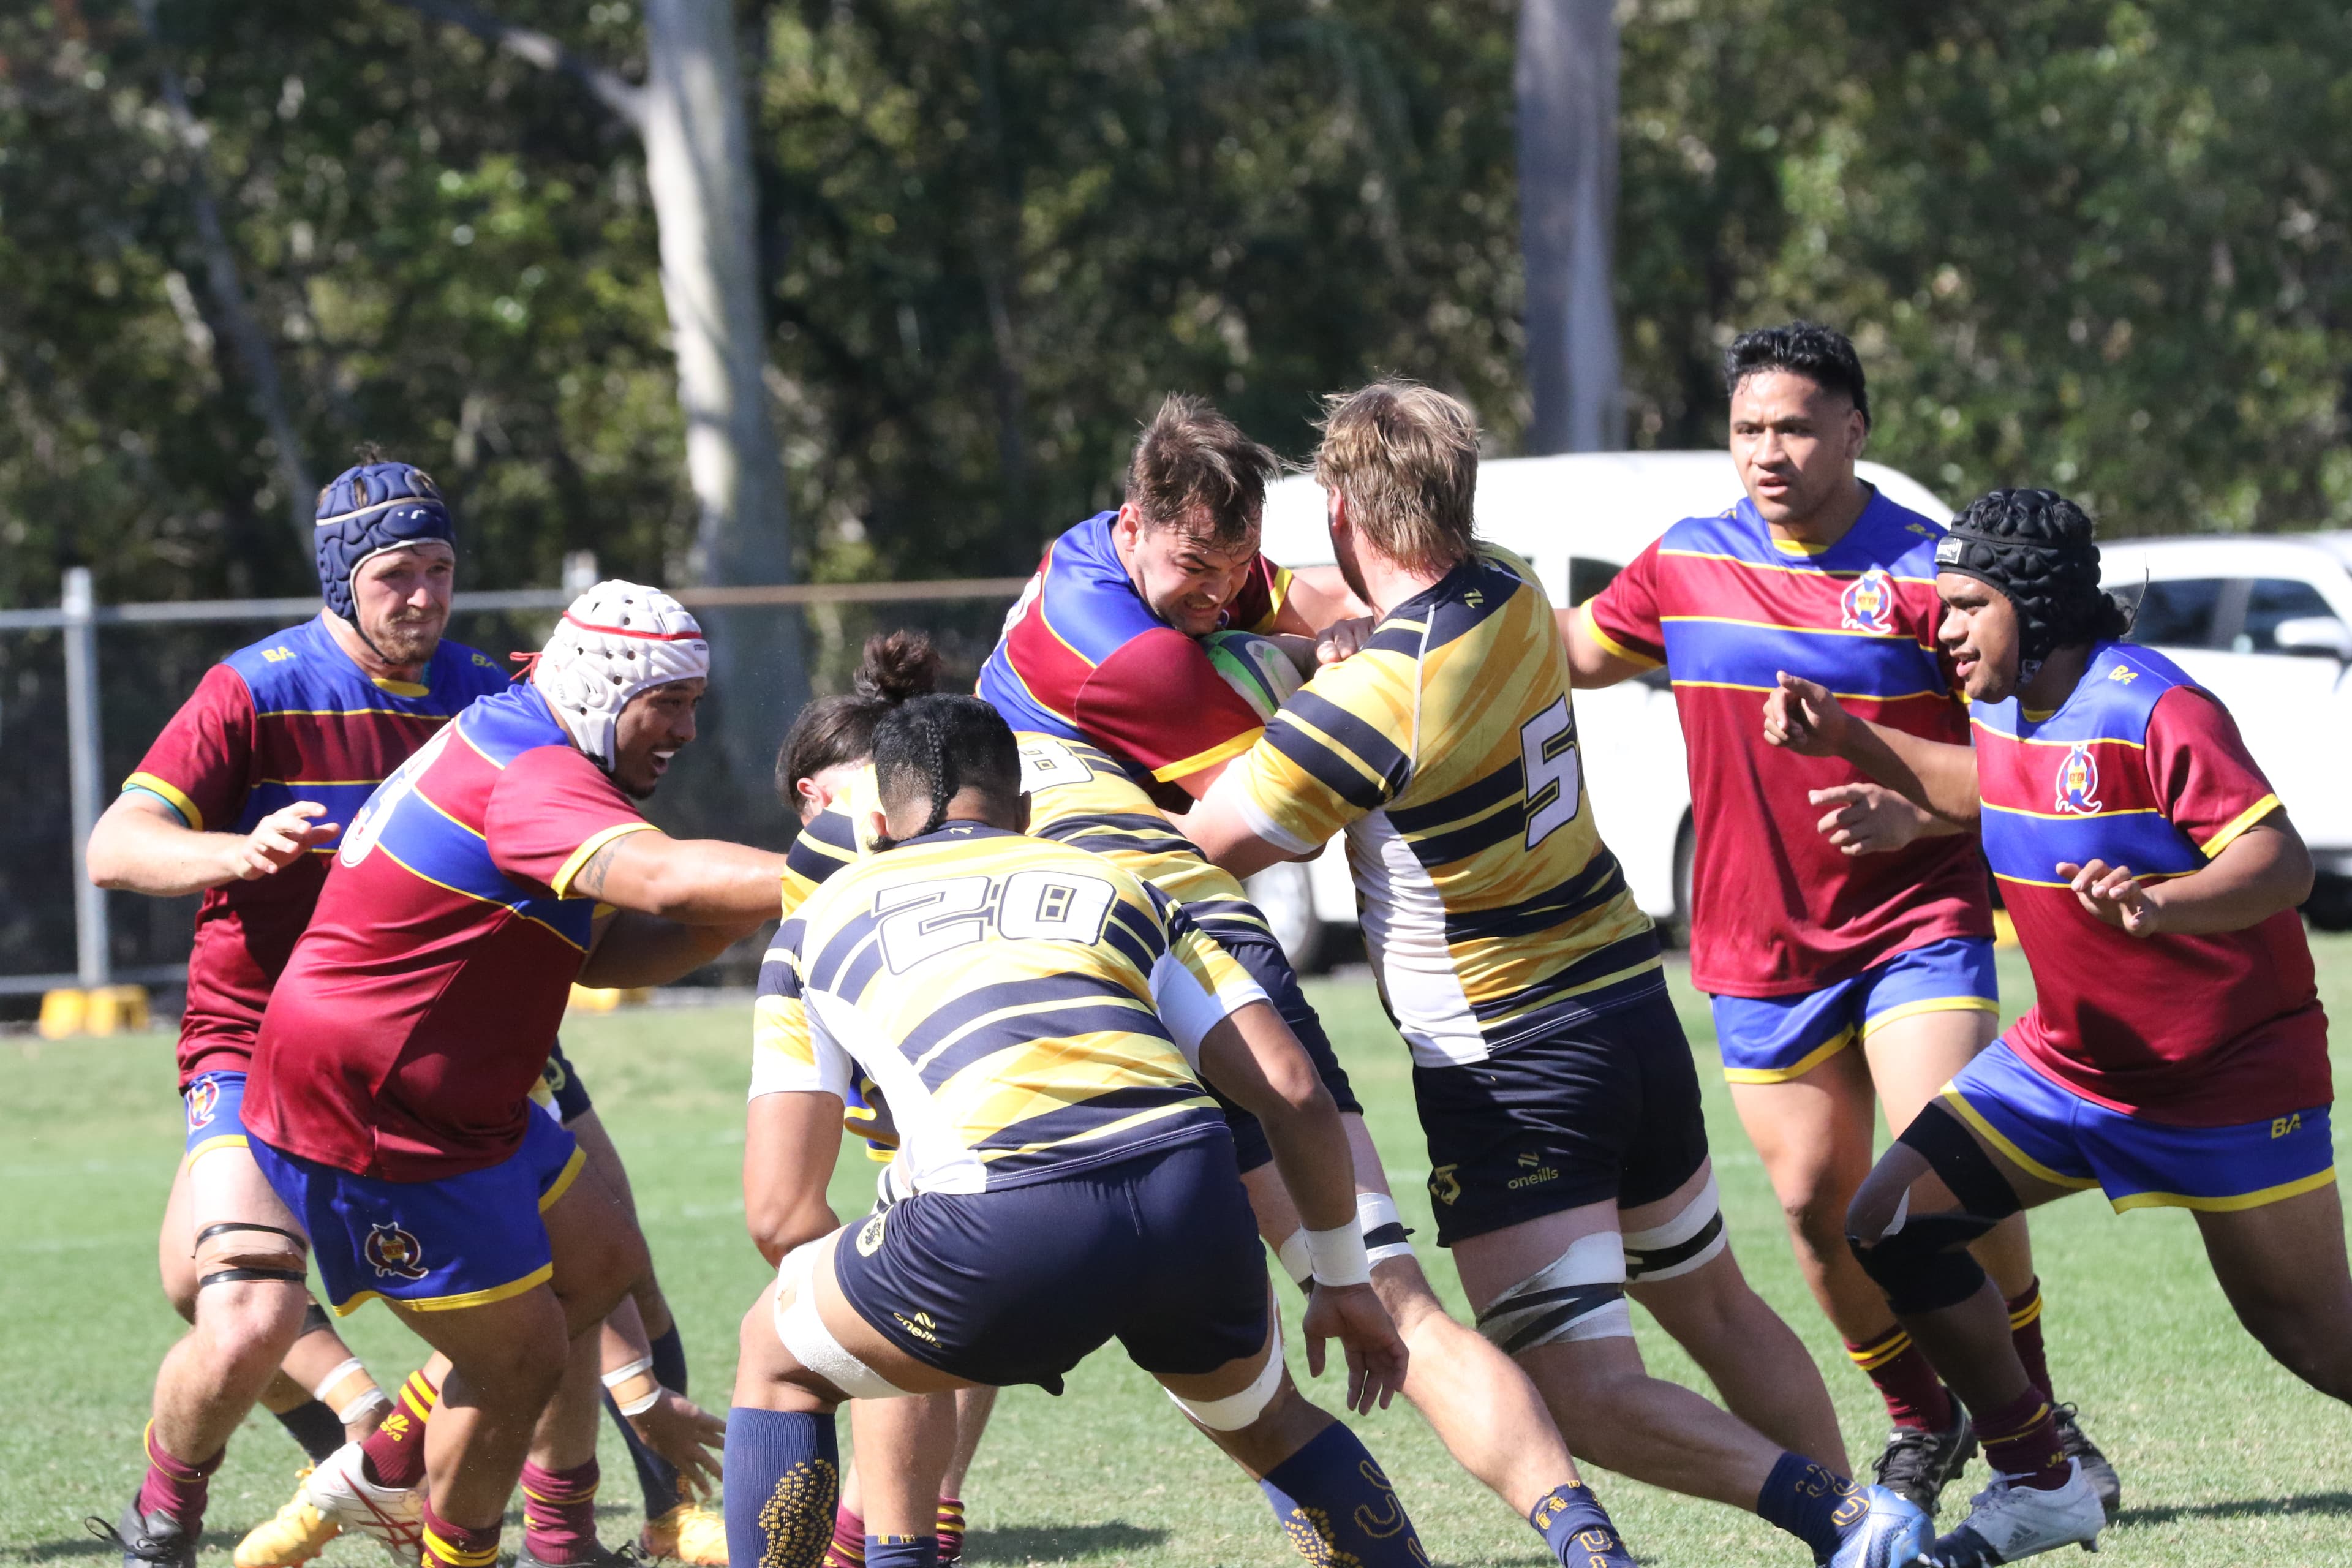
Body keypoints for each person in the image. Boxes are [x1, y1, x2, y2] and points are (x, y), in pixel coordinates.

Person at [1179, 379, 1934, 1567]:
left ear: (1339, 509)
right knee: (1719, 1304)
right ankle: (1859, 1540)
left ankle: (1844, 1517)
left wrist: (1266, 685)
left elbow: (1210, 839)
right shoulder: (1512, 590)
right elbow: (1385, 635)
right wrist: (1323, 640)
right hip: (1627, 1004)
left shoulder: (1373, 696)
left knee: (1573, 1383)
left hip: (1513, 1052)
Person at [727, 693, 1639, 1568]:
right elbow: (1292, 1089)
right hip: (1189, 1201)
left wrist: (905, 1301)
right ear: (1029, 808)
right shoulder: (1115, 884)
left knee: (773, 1358)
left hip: (993, 1223)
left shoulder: (815, 925)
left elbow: (778, 1213)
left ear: (876, 825)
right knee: (1269, 1422)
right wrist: (1341, 1278)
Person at [968, 397, 1640, 1567]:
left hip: (1138, 959)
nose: (1216, 592)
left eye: (1234, 569)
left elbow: (1310, 604)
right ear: (1135, 523)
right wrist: (1319, 661)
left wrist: (1313, 629)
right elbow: (1289, 792)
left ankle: (1568, 1539)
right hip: (1150, 962)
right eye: (1194, 568)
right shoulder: (1122, 649)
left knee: (990, 1230)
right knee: (1344, 1291)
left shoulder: (1102, 555)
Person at [1560, 322, 2109, 1516]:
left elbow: (2010, 751)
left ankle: (2039, 1412)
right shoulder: (1680, 565)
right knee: (1815, 1203)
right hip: (1758, 944)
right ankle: (1925, 1415)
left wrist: (1917, 823)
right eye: (1749, 427)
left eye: (1797, 425)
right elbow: (1562, 652)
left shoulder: (1928, 571)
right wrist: (1399, 627)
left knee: (1942, 1165)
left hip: (1921, 916)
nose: (1770, 450)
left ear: (1855, 429)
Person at [1763, 488, 2349, 1565]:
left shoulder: (2158, 708)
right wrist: (1853, 741)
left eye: (1965, 607)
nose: (1943, 629)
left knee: (2317, 1339)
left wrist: (2162, 902)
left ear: (2032, 606)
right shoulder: (1997, 704)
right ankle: (2041, 1480)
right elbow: (1986, 780)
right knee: (1887, 1222)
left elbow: (2284, 865)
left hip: (2224, 1077)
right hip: (2067, 1066)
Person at [235, 581, 790, 1568]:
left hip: (456, 1097)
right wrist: (852, 868)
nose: (688, 729)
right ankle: (458, 1548)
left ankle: (389, 1462)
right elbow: (662, 878)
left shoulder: (524, 735)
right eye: (671, 703)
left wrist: (736, 913)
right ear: (605, 689)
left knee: (600, 1259)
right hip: (371, 1111)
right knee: (522, 1356)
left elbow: (602, 952)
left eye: (695, 703)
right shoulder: (531, 772)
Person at [85, 458, 509, 1568]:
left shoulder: (483, 698)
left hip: (425, 1054)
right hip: (257, 1047)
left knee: (571, 1274)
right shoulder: (256, 690)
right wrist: (241, 848)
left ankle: (572, 1519)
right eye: (393, 576)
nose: (422, 596)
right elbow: (115, 846)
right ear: (340, 580)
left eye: (440, 570)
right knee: (245, 1315)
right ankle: (163, 1524)